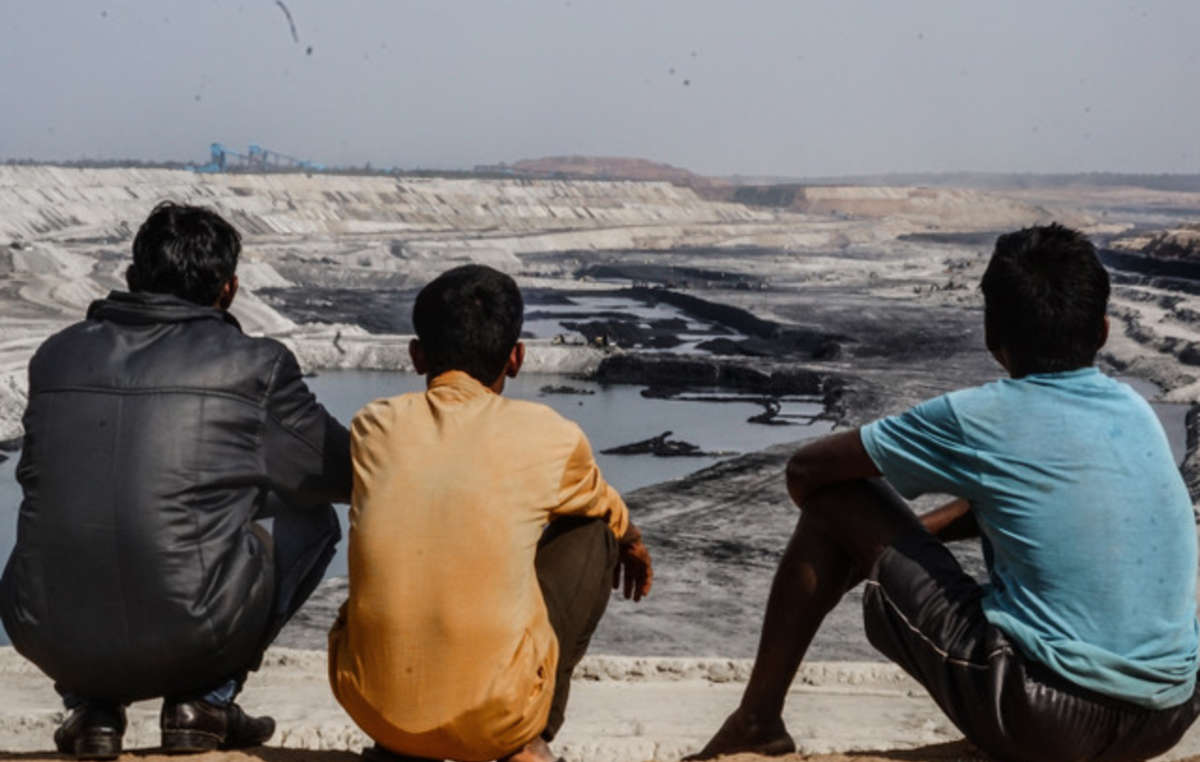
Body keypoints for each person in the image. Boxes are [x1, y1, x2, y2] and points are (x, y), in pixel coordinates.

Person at [690, 224, 1200, 762]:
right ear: (1102, 330)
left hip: (1048, 719)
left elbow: (806, 472)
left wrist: (876, 550)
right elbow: (1027, 500)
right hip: (1169, 714)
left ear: (990, 333)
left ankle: (756, 721)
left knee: (835, 503)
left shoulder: (980, 416)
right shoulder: (1135, 411)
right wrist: (909, 542)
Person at [0, 202, 350, 759]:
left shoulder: (57, 355)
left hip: (43, 627)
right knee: (308, 516)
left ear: (133, 279)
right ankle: (206, 701)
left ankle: (91, 709)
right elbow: (337, 473)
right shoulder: (255, 364)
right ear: (230, 289)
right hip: (196, 632)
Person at [328, 264, 653, 762]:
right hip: (494, 724)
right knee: (591, 531)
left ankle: (407, 727)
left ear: (417, 355)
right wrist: (630, 540)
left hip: (372, 707)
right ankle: (530, 736)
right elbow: (603, 505)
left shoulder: (374, 425)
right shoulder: (549, 434)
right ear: (517, 358)